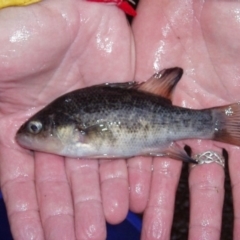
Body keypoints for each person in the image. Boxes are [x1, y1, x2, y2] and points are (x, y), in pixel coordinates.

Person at [0, 0, 239, 239]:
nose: (29, 134)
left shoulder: (72, 118)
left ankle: (218, 122)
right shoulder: (68, 116)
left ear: (69, 126)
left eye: (36, 127)